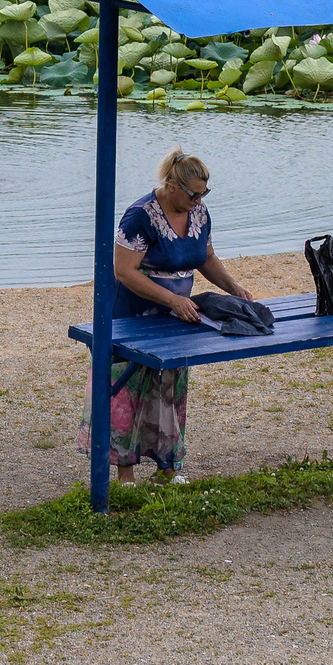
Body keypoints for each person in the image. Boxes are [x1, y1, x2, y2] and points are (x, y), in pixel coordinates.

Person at [81, 147, 255, 486]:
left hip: (177, 316)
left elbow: (205, 257)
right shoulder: (139, 216)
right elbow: (124, 271)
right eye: (193, 193)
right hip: (131, 314)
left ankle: (167, 468)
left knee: (169, 388)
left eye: (204, 193)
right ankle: (125, 474)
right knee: (126, 391)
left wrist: (234, 286)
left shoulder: (200, 212)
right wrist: (172, 299)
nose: (199, 199)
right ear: (172, 184)